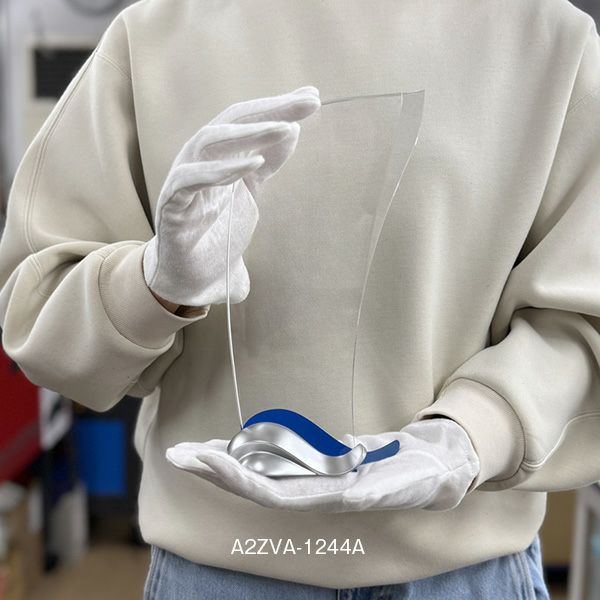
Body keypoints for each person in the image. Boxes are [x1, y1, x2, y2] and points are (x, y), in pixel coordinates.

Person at [0, 0, 599, 597]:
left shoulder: (547, 42)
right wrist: (155, 282)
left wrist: (475, 433)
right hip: (223, 571)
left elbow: (584, 319)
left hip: (464, 574)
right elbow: (37, 308)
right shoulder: (154, 35)